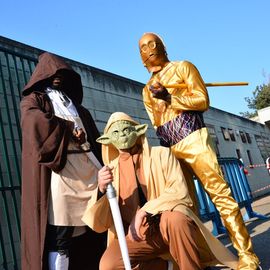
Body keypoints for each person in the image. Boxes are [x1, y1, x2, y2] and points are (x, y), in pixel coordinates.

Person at [138, 32, 259, 269]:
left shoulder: (183, 67)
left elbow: (202, 100)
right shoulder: (145, 91)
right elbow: (156, 122)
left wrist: (169, 96)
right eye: (143, 47)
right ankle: (199, 258)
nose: (149, 49)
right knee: (183, 206)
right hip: (170, 147)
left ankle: (246, 254)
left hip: (194, 137)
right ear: (140, 57)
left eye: (154, 44)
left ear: (163, 47)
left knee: (220, 195)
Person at [82, 112, 238, 270]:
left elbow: (179, 191)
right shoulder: (110, 171)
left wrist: (145, 210)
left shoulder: (162, 154)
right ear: (107, 139)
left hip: (166, 223)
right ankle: (170, 266)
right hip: (136, 234)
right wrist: (101, 189)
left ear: (139, 130)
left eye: (127, 130)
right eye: (116, 132)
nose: (122, 135)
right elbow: (98, 223)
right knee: (109, 265)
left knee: (177, 219)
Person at [20, 52, 106, 270]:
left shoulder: (75, 106)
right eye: (53, 72)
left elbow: (96, 139)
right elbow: (33, 123)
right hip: (62, 173)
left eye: (62, 73)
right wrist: (68, 129)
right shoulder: (35, 100)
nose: (58, 76)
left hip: (88, 171)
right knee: (61, 236)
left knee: (95, 226)